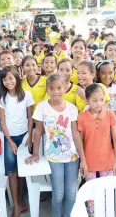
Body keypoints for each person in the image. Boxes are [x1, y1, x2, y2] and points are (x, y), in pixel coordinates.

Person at [26, 74, 86, 217]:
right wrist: (35, 153)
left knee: (71, 193)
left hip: (72, 157)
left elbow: (76, 134)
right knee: (58, 194)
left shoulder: (71, 108)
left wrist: (83, 159)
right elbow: (38, 131)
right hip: (54, 158)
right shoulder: (42, 107)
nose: (56, 91)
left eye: (59, 88)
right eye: (52, 89)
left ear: (65, 88)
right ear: (47, 90)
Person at [77, 84, 116, 215]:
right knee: (92, 194)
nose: (98, 103)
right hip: (90, 163)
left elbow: (115, 139)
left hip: (108, 162)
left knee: (107, 193)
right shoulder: (82, 117)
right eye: (94, 100)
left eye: (101, 99)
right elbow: (81, 142)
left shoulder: (110, 115)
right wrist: (82, 162)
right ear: (87, 100)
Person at [0, 66, 34, 217]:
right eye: (4, 79)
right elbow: (3, 122)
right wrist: (10, 142)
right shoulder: (2, 98)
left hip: (25, 136)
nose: (8, 82)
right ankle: (16, 205)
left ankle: (20, 200)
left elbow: (31, 118)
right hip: (10, 138)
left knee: (22, 172)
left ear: (17, 77)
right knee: (12, 172)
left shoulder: (26, 95)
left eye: (10, 78)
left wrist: (30, 137)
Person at [96, 60, 116, 129]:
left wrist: (107, 113)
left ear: (114, 73)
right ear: (98, 74)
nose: (107, 76)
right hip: (100, 128)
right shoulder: (95, 88)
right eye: (103, 73)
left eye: (110, 73)